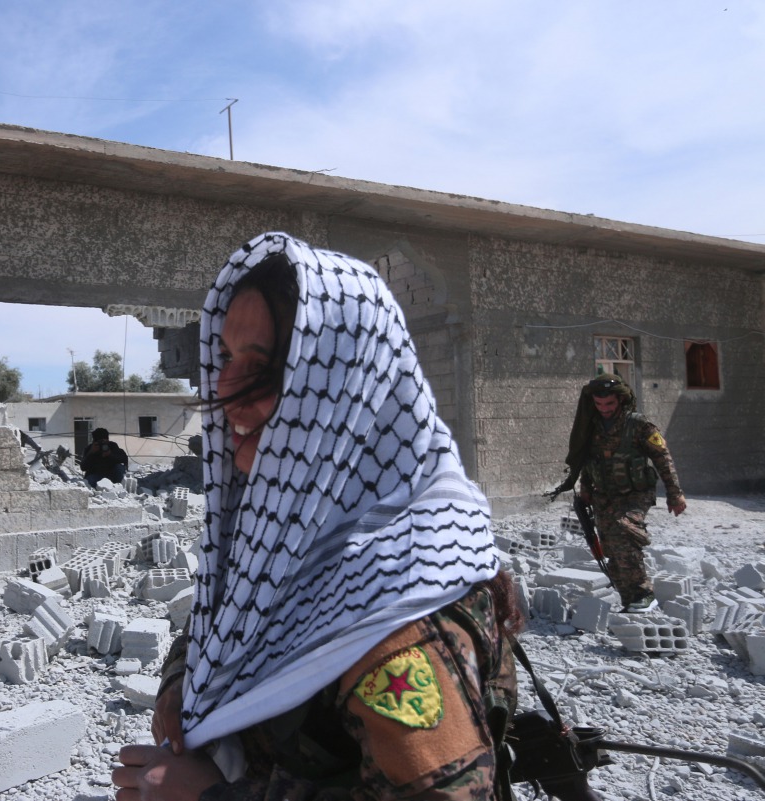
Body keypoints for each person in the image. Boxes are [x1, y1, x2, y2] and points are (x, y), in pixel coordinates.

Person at [112, 232, 523, 801]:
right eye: (226, 357)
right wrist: (182, 680)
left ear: (343, 389)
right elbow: (242, 614)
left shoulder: (399, 619)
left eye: (263, 366)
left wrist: (208, 797)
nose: (226, 391)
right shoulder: (297, 529)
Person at [548, 374, 686, 612]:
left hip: (635, 494)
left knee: (625, 533)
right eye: (599, 404)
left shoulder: (639, 425)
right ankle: (629, 600)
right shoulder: (591, 427)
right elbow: (589, 461)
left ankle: (644, 594)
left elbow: (663, 458)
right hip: (604, 496)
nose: (604, 409)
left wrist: (675, 494)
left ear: (620, 400)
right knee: (609, 546)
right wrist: (585, 489)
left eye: (609, 404)